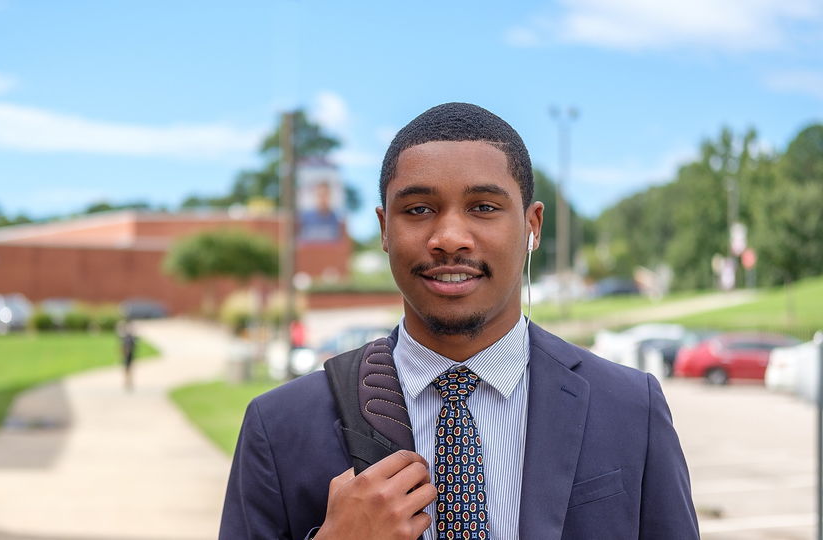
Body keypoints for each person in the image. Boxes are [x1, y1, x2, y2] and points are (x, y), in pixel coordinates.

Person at [220, 103, 699, 539]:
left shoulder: (631, 409)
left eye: (484, 208)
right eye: (419, 209)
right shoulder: (279, 425)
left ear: (532, 226)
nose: (450, 237)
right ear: (385, 229)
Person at [117, 320, 137, 392]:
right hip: (128, 355)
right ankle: (127, 382)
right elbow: (123, 348)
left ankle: (128, 382)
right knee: (127, 369)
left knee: (128, 369)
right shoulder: (127, 338)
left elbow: (126, 348)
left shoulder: (129, 338)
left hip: (129, 355)